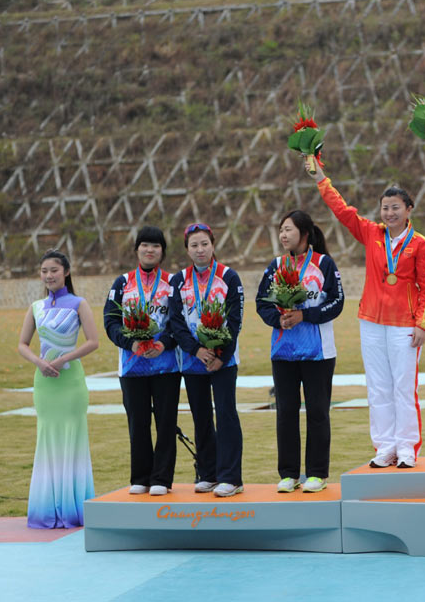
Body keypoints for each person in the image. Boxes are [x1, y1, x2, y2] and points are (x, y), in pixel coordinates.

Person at [307, 155, 425, 469]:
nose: (389, 213)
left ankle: (407, 447)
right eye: (385, 208)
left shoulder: (420, 244)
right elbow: (343, 211)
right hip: (372, 322)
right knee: (378, 387)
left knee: (403, 387)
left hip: (404, 324)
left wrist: (422, 323)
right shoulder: (371, 233)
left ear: (409, 210)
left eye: (396, 207)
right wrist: (321, 178)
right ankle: (385, 446)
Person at [256, 210, 344, 493]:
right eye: (281, 230)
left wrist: (305, 315)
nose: (283, 235)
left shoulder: (324, 263)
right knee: (285, 413)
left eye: (289, 230)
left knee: (317, 412)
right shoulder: (276, 265)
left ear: (304, 234)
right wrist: (278, 319)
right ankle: (289, 474)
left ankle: (317, 474)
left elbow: (337, 302)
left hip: (318, 352)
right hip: (283, 352)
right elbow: (262, 302)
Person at [17, 250, 98, 527]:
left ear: (66, 272)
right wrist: (39, 362)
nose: (49, 275)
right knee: (47, 439)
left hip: (70, 382)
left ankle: (73, 509)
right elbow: (22, 344)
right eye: (44, 271)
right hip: (45, 384)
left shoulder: (79, 304)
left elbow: (93, 342)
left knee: (73, 439)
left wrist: (64, 359)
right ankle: (47, 508)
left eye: (54, 270)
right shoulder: (36, 307)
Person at [168, 223, 245, 497]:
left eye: (204, 244)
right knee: (201, 417)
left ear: (213, 245)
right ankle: (208, 473)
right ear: (187, 249)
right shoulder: (178, 281)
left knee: (225, 415)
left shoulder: (229, 277)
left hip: (224, 361)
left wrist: (221, 355)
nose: (200, 250)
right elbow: (175, 322)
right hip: (193, 361)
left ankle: (231, 478)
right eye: (194, 245)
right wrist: (196, 350)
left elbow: (235, 320)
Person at [104, 226, 181, 497]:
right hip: (131, 365)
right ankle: (140, 477)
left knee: (166, 422)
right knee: (138, 423)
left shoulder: (173, 283)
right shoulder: (122, 283)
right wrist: (131, 343)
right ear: (136, 249)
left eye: (156, 246)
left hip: (166, 365)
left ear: (163, 251)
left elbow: (178, 321)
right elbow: (111, 321)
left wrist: (164, 343)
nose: (150, 250)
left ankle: (162, 478)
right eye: (145, 245)